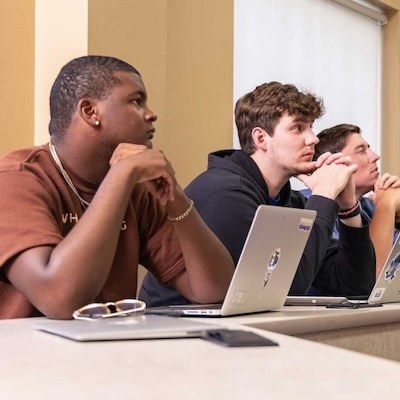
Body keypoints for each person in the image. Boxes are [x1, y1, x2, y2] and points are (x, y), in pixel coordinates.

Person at [0, 55, 235, 319]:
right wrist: (121, 176)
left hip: (105, 351)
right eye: (136, 101)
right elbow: (58, 299)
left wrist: (175, 198)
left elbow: (214, 290)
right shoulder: (15, 179)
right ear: (90, 112)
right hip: (24, 356)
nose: (151, 114)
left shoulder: (138, 190)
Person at [140, 81, 376, 306]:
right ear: (261, 138)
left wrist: (348, 208)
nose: (313, 139)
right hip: (177, 331)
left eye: (311, 127)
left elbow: (355, 287)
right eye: (298, 128)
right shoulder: (224, 195)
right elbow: (278, 289)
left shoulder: (289, 200)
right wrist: (324, 196)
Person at [301, 124, 400, 276]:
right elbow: (372, 278)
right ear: (334, 162)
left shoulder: (368, 206)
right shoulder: (309, 203)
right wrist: (387, 204)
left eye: (369, 148)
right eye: (361, 151)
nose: (375, 156)